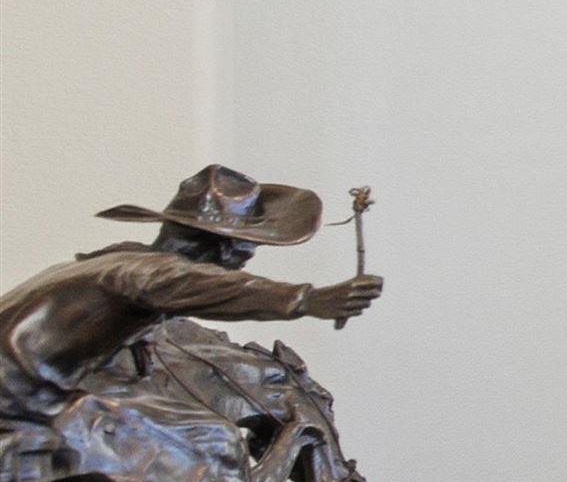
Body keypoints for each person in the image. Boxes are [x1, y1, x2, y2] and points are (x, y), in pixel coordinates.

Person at [0, 166, 382, 425]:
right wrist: (307, 300)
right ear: (226, 250)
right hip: (18, 396)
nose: (243, 265)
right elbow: (205, 286)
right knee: (205, 440)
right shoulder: (148, 273)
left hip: (29, 387)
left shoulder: (118, 260)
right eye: (245, 253)